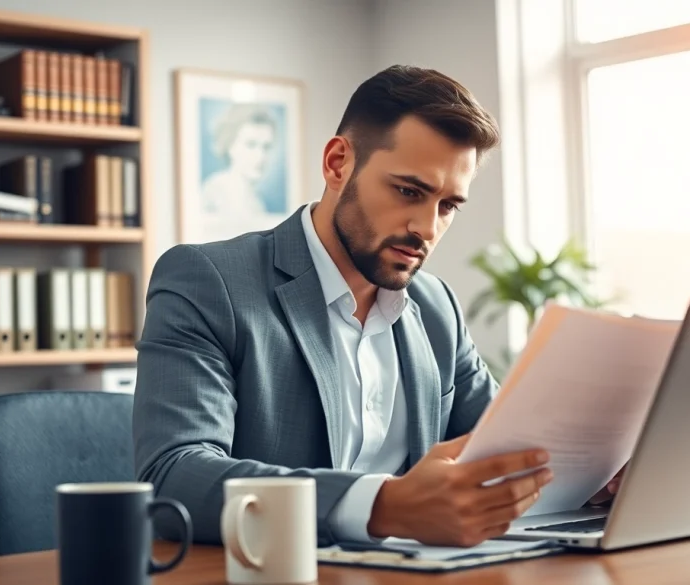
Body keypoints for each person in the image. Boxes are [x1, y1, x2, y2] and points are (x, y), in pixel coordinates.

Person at [132, 64, 621, 549]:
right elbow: (174, 475)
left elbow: (504, 453)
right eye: (409, 191)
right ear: (337, 164)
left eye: (448, 205)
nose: (427, 228)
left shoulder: (437, 307)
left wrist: (594, 476)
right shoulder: (209, 281)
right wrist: (384, 506)